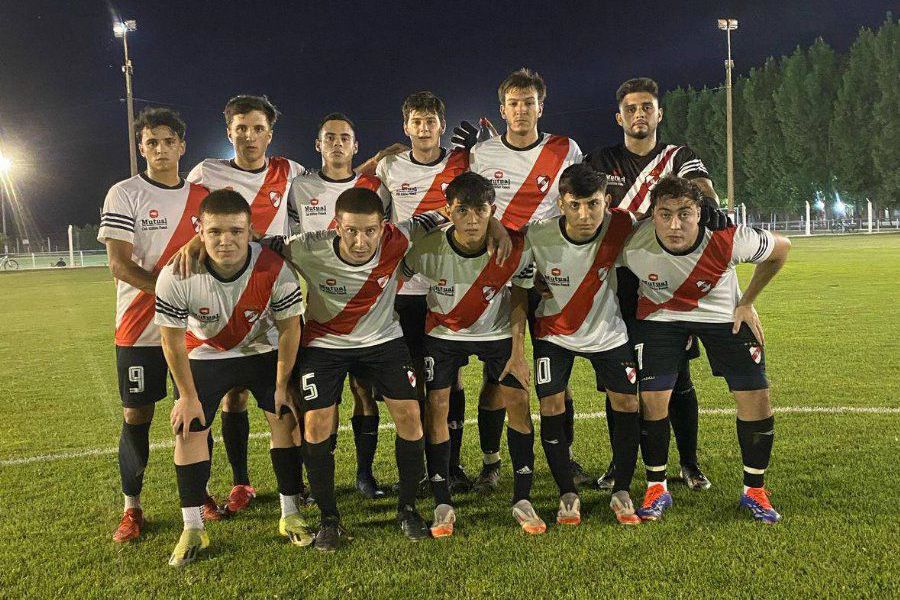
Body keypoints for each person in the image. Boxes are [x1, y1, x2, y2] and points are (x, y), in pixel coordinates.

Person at [275, 188, 463, 550]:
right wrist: (195, 246)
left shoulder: (401, 235)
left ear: (383, 227)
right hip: (325, 344)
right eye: (351, 232)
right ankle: (330, 518)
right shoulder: (306, 246)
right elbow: (257, 244)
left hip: (383, 341)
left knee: (411, 414)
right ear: (336, 227)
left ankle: (407, 508)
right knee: (316, 423)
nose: (361, 241)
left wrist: (499, 229)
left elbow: (449, 210)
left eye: (370, 232)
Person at [619, 175, 790, 523]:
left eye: (685, 213)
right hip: (660, 318)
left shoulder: (729, 237)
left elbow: (781, 249)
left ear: (700, 212)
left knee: (756, 397)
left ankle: (754, 490)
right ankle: (656, 487)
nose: (675, 224)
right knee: (652, 400)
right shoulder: (633, 244)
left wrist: (747, 302)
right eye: (664, 214)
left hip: (722, 317)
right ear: (652, 215)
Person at [155, 189, 309, 566]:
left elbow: (290, 330)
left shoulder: (274, 267)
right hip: (205, 353)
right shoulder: (177, 273)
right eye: (216, 232)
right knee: (189, 427)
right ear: (200, 231)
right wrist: (187, 396)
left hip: (261, 351)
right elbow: (171, 340)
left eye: (236, 231)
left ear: (251, 231)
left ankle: (290, 512)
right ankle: (192, 527)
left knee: (285, 418)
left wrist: (280, 385)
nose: (226, 241)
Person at [586, 77, 725, 491]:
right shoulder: (599, 160)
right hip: (614, 284)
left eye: (646, 107)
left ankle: (690, 462)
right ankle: (620, 461)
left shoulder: (677, 156)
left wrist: (710, 206)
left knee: (678, 376)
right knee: (618, 380)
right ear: (619, 117)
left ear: (659, 113)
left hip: (665, 285)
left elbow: (701, 187)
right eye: (630, 109)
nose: (638, 115)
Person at [402, 172, 543, 537]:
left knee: (519, 401)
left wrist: (518, 351)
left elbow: (519, 297)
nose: (471, 219)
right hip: (443, 335)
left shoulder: (512, 249)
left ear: (492, 211)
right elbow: (389, 277)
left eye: (480, 210)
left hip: (496, 334)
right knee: (436, 407)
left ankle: (522, 498)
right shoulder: (426, 250)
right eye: (462, 210)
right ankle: (442, 501)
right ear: (448, 211)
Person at [186, 94, 306, 515]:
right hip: (220, 299)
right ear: (229, 133)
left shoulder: (290, 171)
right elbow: (193, 217)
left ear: (270, 134)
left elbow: (332, 187)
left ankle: (296, 485)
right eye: (241, 128)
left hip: (271, 297)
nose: (249, 137)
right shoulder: (207, 172)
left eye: (258, 128)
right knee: (230, 400)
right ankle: (241, 482)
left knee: (284, 395)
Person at [469, 68, 588, 489]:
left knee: (555, 373)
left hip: (552, 278)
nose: (521, 110)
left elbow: (576, 205)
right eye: (514, 104)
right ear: (502, 110)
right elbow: (475, 208)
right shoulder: (482, 156)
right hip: (499, 279)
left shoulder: (565, 149)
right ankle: (491, 462)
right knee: (499, 376)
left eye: (529, 102)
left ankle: (567, 457)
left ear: (542, 106)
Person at [98, 107, 212, 542]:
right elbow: (120, 266)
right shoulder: (124, 193)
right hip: (139, 327)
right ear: (140, 147)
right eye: (151, 142)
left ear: (182, 146)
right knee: (136, 415)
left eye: (168, 141)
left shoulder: (203, 195)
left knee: (197, 417)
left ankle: (200, 495)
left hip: (194, 330)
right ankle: (132, 508)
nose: (160, 149)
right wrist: (170, 296)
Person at [516, 164, 642, 526]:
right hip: (554, 333)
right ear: (561, 204)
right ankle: (566, 492)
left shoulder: (622, 225)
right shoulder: (538, 235)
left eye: (593, 204)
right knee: (552, 403)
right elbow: (520, 283)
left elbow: (664, 232)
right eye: (575, 206)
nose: (585, 215)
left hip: (608, 332)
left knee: (627, 401)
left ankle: (621, 489)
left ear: (607, 201)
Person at [287, 112, 392, 499]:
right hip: (320, 317)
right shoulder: (299, 187)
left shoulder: (376, 188)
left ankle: (365, 475)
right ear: (318, 145)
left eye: (344, 137)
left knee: (365, 394)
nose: (336, 143)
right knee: (321, 405)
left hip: (368, 317)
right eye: (328, 137)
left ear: (355, 145)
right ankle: (318, 484)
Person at [373, 92, 473, 492]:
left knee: (452, 380)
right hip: (406, 288)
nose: (424, 128)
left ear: (441, 124)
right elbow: (371, 211)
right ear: (406, 127)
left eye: (431, 120)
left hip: (449, 286)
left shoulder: (461, 162)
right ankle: (414, 471)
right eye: (417, 121)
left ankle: (450, 466)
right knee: (410, 380)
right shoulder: (389, 166)